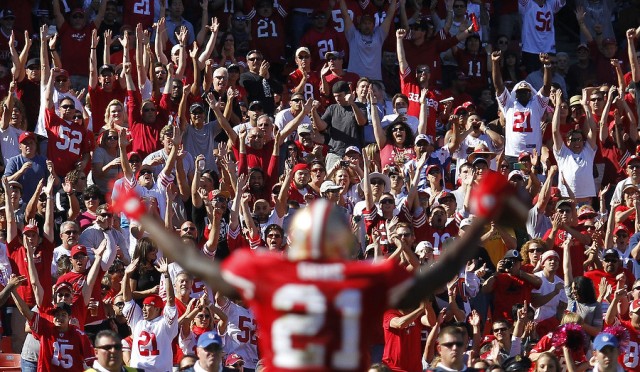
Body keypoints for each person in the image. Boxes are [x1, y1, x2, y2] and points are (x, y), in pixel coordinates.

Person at [114, 169, 521, 371]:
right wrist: (479, 219)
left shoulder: (268, 270)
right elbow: (434, 277)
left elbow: (192, 261)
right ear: (343, 245)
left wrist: (143, 217)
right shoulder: (361, 278)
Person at [122, 257, 179, 371]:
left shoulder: (165, 324)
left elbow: (171, 300)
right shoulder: (138, 321)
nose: (144, 309)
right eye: (143, 306)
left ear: (158, 309)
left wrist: (166, 275)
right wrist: (127, 275)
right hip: (139, 370)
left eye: (148, 306)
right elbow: (127, 299)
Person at [338, 0, 397, 81]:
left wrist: (394, 1)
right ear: (359, 25)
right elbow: (345, 15)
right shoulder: (353, 35)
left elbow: (389, 16)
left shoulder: (379, 36)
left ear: (373, 25)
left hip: (375, 81)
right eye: (364, 23)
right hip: (355, 79)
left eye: (369, 23)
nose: (367, 26)